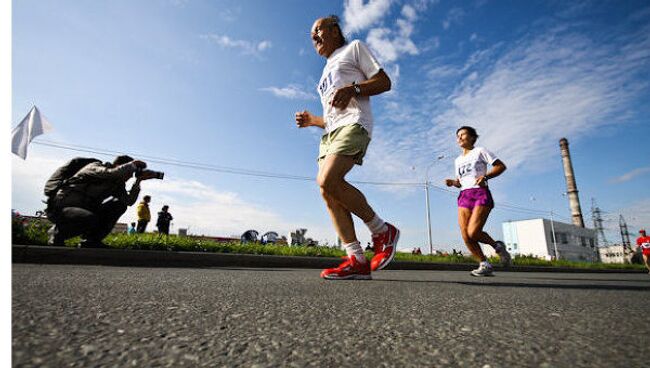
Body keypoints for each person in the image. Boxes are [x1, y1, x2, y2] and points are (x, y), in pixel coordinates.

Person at [295, 15, 399, 280]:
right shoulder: (323, 75)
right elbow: (331, 116)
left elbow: (384, 82)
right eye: (311, 36)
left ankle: (381, 231)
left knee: (328, 178)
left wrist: (353, 88)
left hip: (355, 124)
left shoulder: (353, 48)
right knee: (327, 190)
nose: (314, 37)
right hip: (331, 132)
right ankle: (357, 260)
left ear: (334, 30)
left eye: (317, 30)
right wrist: (312, 121)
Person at [46, 155, 157, 247]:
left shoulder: (117, 184)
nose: (129, 176)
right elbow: (109, 173)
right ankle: (56, 234)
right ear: (120, 166)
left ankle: (91, 241)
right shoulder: (95, 167)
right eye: (129, 172)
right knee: (87, 218)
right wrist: (133, 165)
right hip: (61, 208)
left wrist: (138, 181)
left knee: (119, 205)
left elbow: (129, 201)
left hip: (86, 210)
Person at [444, 126, 512, 277]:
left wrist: (486, 177)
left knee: (473, 232)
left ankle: (497, 246)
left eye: (463, 135)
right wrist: (453, 183)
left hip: (480, 193)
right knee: (465, 235)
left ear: (473, 137)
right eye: (457, 136)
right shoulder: (458, 160)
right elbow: (461, 182)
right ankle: (484, 263)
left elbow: (501, 166)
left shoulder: (480, 151)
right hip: (464, 195)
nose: (459, 138)